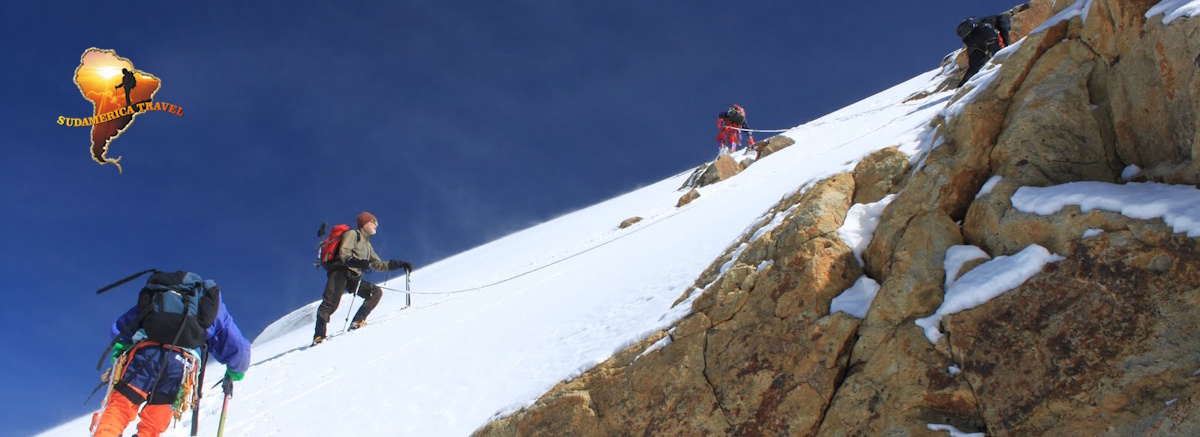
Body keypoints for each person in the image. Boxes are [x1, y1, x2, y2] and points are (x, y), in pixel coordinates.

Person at [92, 271, 251, 437]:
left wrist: (120, 351)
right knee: (153, 424)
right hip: (181, 367)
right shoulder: (208, 302)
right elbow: (237, 346)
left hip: (144, 355)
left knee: (119, 408)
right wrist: (236, 371)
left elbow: (122, 327)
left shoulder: (158, 294)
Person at [312, 211, 413, 346]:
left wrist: (400, 264)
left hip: (354, 276)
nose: (376, 224)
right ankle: (319, 335)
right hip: (340, 271)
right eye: (374, 221)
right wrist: (356, 262)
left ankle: (357, 321)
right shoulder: (353, 234)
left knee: (375, 292)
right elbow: (344, 252)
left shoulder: (367, 245)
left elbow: (378, 264)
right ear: (365, 223)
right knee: (331, 302)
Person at [956, 13, 1012, 87]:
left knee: (974, 66)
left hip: (971, 41)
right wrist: (1006, 42)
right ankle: (1006, 68)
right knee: (999, 54)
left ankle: (962, 85)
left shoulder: (979, 21)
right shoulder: (1002, 17)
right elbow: (1003, 26)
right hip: (984, 31)